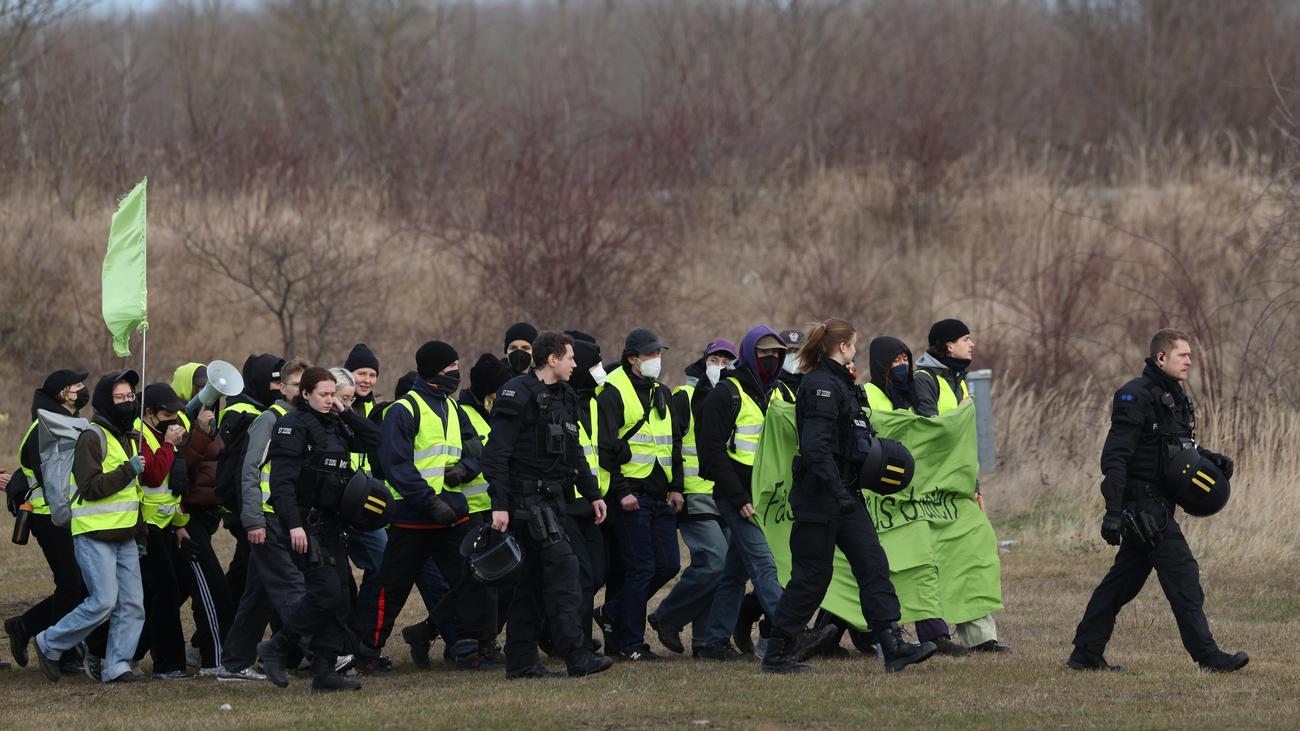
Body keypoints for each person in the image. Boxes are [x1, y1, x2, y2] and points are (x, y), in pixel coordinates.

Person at [762, 319, 936, 674]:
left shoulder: (841, 382)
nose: (855, 349)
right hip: (820, 496)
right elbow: (815, 448)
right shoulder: (821, 386)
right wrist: (837, 490)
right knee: (812, 577)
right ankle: (777, 652)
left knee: (873, 564)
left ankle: (892, 645)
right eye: (853, 344)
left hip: (843, 493)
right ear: (842, 347)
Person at [1068, 329, 1248, 673]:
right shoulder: (1134, 397)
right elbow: (1115, 459)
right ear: (1161, 358)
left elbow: (1178, 448)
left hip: (1161, 504)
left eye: (1191, 355)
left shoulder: (1175, 397)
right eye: (1183, 355)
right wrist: (1113, 512)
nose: (1190, 361)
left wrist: (1212, 459)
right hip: (1142, 507)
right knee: (1183, 576)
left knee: (1122, 583)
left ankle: (1085, 653)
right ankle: (1208, 657)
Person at [353, 341, 496, 671]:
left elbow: (476, 450)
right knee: (391, 589)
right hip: (412, 518)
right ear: (433, 371)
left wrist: (465, 470)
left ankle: (467, 647)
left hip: (450, 515)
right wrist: (428, 500)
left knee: (469, 580)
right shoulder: (405, 410)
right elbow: (396, 465)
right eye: (450, 369)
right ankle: (367, 653)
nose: (456, 375)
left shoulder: (453, 408)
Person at [696, 326, 831, 661]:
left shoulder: (775, 393)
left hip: (763, 499)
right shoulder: (725, 394)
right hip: (738, 499)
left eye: (776, 354)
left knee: (735, 573)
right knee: (764, 567)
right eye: (764, 354)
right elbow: (711, 454)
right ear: (748, 354)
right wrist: (739, 498)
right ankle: (792, 634)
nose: (771, 359)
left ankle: (711, 642)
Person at [483, 331, 613, 679]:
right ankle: (576, 656)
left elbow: (575, 452)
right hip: (526, 504)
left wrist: (594, 493)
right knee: (566, 575)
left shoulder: (565, 396)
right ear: (552, 359)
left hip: (555, 502)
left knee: (532, 583)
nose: (575, 364)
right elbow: (496, 454)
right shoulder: (517, 393)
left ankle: (522, 663)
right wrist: (499, 504)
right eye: (570, 358)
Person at [256, 367, 381, 692]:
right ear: (306, 394)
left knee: (338, 598)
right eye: (324, 395)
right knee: (324, 591)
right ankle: (277, 647)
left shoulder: (337, 424)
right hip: (303, 526)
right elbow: (281, 485)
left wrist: (346, 412)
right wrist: (294, 526)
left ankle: (323, 673)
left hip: (332, 526)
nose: (330, 400)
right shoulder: (291, 426)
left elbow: (374, 440)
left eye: (333, 394)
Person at [33, 370, 147, 683]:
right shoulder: (92, 437)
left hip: (124, 536)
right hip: (94, 535)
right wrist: (128, 470)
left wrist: (140, 535)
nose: (127, 402)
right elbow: (90, 487)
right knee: (104, 602)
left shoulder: (127, 437)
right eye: (120, 397)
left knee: (133, 604)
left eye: (130, 397)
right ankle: (49, 642)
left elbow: (133, 496)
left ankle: (117, 666)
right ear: (104, 402)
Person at [862, 336, 967, 658]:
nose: (902, 366)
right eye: (894, 361)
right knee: (872, 565)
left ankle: (933, 632)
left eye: (905, 359)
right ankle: (854, 628)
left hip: (910, 490)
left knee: (921, 559)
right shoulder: (868, 393)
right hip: (875, 491)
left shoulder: (911, 395)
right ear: (880, 365)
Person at [913, 319, 1011, 653]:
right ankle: (933, 635)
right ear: (946, 346)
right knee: (930, 560)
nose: (972, 345)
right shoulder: (923, 380)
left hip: (960, 487)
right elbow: (930, 436)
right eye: (965, 339)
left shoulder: (960, 381)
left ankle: (980, 637)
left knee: (972, 556)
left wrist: (975, 484)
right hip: (930, 490)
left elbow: (965, 442)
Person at [6, 369, 108, 676]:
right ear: (63, 393)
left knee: (76, 586)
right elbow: (52, 480)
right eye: (77, 385)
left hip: (70, 515)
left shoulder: (72, 423)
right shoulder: (45, 427)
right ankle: (58, 650)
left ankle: (24, 626)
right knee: (71, 586)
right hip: (49, 516)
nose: (83, 389)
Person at [218, 357, 308, 681]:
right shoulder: (269, 420)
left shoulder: (304, 419)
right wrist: (254, 520)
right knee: (292, 587)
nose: (301, 390)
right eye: (296, 384)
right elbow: (250, 471)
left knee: (258, 596)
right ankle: (326, 654)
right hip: (268, 519)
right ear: (282, 388)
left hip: (291, 519)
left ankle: (233, 663)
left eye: (305, 385)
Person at [596, 328, 683, 662]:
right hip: (630, 495)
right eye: (649, 355)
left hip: (659, 494)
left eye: (658, 354)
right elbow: (605, 448)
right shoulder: (612, 391)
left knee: (668, 564)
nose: (655, 360)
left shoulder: (661, 391)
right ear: (632, 357)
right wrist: (620, 492)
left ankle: (610, 613)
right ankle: (631, 643)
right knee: (641, 568)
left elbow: (671, 442)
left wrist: (676, 487)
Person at [649, 339, 736, 657]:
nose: (721, 364)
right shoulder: (684, 397)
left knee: (722, 568)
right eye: (717, 358)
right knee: (715, 560)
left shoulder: (734, 397)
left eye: (728, 360)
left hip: (726, 493)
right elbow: (671, 444)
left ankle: (705, 642)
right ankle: (666, 617)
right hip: (694, 491)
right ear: (705, 361)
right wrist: (675, 486)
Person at [170, 363, 235, 675]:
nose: (206, 396)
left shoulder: (210, 422)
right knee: (212, 589)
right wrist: (199, 433)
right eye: (199, 389)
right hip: (185, 516)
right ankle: (216, 660)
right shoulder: (179, 423)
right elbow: (180, 468)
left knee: (175, 592)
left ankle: (99, 646)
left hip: (204, 516)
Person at [133, 384, 196, 680]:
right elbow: (153, 474)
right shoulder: (140, 435)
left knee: (167, 589)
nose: (174, 419)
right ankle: (168, 664)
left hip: (168, 524)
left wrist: (181, 525)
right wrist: (169, 446)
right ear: (149, 413)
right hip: (145, 526)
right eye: (167, 414)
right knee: (163, 591)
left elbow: (174, 483)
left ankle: (115, 649)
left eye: (176, 413)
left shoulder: (164, 433)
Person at [562, 334, 611, 654]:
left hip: (591, 502)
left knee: (596, 572)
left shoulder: (592, 401)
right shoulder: (561, 401)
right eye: (593, 365)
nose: (599, 371)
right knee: (579, 575)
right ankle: (574, 640)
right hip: (566, 503)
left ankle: (563, 631)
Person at [776, 328, 806, 400]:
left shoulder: (809, 381)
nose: (792, 354)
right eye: (788, 350)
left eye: (797, 350)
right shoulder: (772, 382)